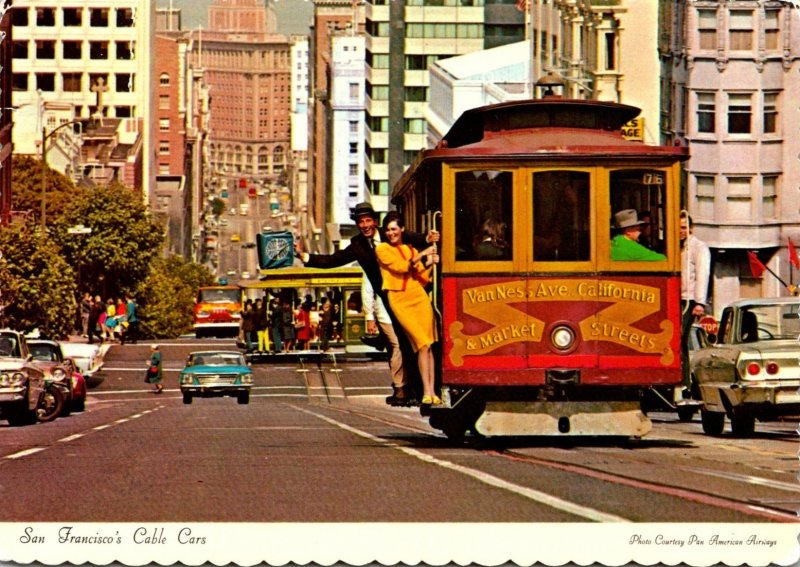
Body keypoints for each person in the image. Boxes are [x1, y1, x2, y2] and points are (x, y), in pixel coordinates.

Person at [295, 201, 438, 405]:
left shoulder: (391, 232)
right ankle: (409, 389)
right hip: (391, 298)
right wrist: (305, 257)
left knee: (415, 342)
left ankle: (418, 389)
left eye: (368, 220)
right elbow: (333, 260)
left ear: (375, 221)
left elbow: (416, 238)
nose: (365, 225)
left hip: (415, 293)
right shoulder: (358, 245)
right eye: (361, 222)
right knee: (400, 343)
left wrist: (428, 238)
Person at [375, 212, 440, 405]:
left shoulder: (410, 249)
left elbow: (423, 278)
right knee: (420, 342)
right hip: (400, 299)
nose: (390, 233)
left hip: (418, 296)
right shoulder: (382, 249)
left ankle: (431, 392)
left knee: (427, 344)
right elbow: (400, 267)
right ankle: (426, 390)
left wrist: (430, 263)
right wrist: (423, 254)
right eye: (387, 230)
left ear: (402, 229)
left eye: (394, 229)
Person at [679, 209, 711, 398]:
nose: (681, 231)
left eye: (684, 227)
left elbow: (702, 274)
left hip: (690, 300)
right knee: (678, 341)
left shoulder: (699, 247)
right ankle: (683, 382)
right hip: (678, 297)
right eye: (679, 228)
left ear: (691, 228)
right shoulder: (678, 247)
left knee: (680, 337)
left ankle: (685, 383)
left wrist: (700, 302)